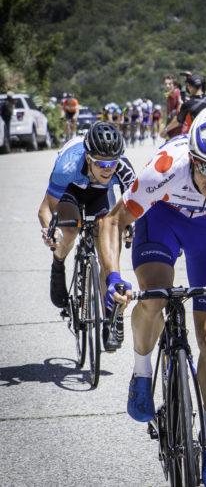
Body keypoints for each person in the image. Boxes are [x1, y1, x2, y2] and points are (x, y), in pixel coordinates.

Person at [99, 106, 206, 487]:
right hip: (161, 219)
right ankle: (142, 373)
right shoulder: (163, 169)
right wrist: (112, 275)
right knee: (154, 298)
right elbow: (113, 221)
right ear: (191, 157)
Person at [38, 121, 136, 351]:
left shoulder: (121, 168)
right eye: (101, 162)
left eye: (113, 162)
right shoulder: (68, 165)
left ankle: (110, 319)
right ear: (89, 157)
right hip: (71, 191)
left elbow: (135, 207)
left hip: (100, 195)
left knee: (107, 242)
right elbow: (45, 208)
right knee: (70, 230)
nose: (108, 168)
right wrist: (49, 232)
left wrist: (132, 227)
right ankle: (58, 263)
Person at [160, 73, 206, 138]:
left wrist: (165, 130)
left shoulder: (188, 104)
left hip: (194, 138)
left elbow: (179, 120)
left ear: (189, 86)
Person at [163, 74, 183, 138]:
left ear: (175, 85)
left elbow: (179, 119)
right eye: (165, 84)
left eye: (170, 84)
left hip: (180, 133)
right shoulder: (168, 96)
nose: (167, 86)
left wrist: (165, 130)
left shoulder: (179, 95)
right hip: (172, 132)